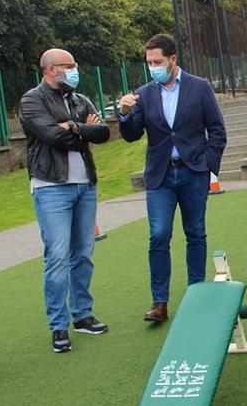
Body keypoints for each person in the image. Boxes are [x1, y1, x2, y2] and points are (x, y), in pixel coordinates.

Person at [118, 34, 226, 323]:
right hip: (160, 175)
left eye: (158, 61)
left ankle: (195, 295)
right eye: (149, 62)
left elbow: (217, 130)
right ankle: (159, 303)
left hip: (193, 171)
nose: (153, 67)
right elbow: (130, 135)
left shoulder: (199, 87)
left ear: (173, 59)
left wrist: (207, 165)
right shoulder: (144, 93)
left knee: (195, 232)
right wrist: (125, 113)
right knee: (159, 234)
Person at [20, 48, 111, 353]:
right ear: (50, 70)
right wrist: (81, 130)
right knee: (57, 256)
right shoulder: (32, 99)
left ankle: (82, 315)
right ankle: (58, 325)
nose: (74, 70)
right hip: (51, 186)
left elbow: (102, 132)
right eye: (68, 66)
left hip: (85, 184)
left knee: (83, 252)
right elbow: (50, 136)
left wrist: (73, 126)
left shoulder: (79, 99)